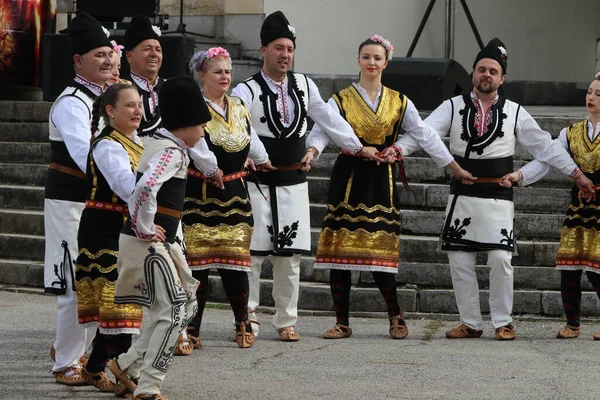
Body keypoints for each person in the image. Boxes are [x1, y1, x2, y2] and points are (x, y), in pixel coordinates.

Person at [398, 38, 596, 340]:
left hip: (498, 196)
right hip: (462, 195)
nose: (486, 75)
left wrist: (573, 173)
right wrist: (397, 150)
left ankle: (503, 321)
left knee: (501, 259)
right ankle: (471, 322)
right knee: (460, 261)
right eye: (481, 69)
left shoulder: (515, 111)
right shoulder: (453, 106)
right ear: (473, 74)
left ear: (502, 78)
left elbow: (545, 148)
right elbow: (424, 134)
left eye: (493, 71)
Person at [307, 35, 474, 340]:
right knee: (341, 249)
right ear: (359, 60)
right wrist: (312, 152)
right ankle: (342, 321)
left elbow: (424, 134)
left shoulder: (399, 100)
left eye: (377, 58)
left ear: (386, 62)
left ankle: (395, 315)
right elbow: (322, 130)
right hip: (348, 178)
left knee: (379, 248)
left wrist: (453, 166)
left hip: (380, 179)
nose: (372, 62)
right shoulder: (340, 99)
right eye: (366, 57)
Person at [231, 10, 382, 342]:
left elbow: (327, 120)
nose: (285, 54)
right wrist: (260, 155)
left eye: (290, 48)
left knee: (290, 258)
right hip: (257, 183)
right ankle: (248, 320)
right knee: (253, 256)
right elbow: (239, 125)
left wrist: (353, 147)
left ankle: (286, 320)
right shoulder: (246, 90)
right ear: (263, 50)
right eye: (278, 48)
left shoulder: (303, 85)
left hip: (293, 183)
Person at [108, 76, 210, 400]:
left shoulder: (158, 143)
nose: (204, 132)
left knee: (184, 305)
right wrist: (146, 226)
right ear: (185, 124)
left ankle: (126, 366)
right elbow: (144, 189)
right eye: (201, 124)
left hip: (151, 244)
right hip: (147, 244)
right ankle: (148, 386)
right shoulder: (173, 154)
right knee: (176, 310)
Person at [184, 47, 274, 349]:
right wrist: (210, 168)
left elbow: (250, 138)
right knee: (198, 266)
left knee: (236, 264)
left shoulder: (237, 104)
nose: (225, 76)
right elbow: (194, 143)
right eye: (217, 71)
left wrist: (263, 159)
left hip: (235, 195)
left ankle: (241, 322)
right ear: (202, 74)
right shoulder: (194, 105)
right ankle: (192, 328)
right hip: (200, 195)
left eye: (227, 71)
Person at [501, 73, 600, 340]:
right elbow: (547, 159)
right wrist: (520, 175)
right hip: (578, 208)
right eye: (589, 91)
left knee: (598, 270)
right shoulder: (571, 133)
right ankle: (573, 323)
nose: (590, 97)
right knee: (570, 267)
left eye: (598, 94)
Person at [43, 12, 112, 385]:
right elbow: (85, 153)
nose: (106, 60)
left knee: (93, 278)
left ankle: (70, 350)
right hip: (70, 200)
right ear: (77, 60)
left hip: (97, 201)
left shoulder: (107, 97)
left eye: (108, 53)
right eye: (97, 54)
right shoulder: (73, 101)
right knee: (73, 282)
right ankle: (65, 362)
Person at [75, 83, 144, 392]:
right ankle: (125, 372)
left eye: (140, 104)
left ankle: (96, 367)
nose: (138, 111)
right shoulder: (107, 145)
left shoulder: (138, 142)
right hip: (103, 228)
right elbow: (128, 188)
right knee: (118, 306)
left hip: (126, 227)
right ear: (110, 111)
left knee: (125, 307)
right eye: (130, 105)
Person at [122, 15, 164, 138]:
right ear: (129, 56)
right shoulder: (119, 89)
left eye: (158, 49)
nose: (154, 54)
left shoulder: (171, 88)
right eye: (147, 49)